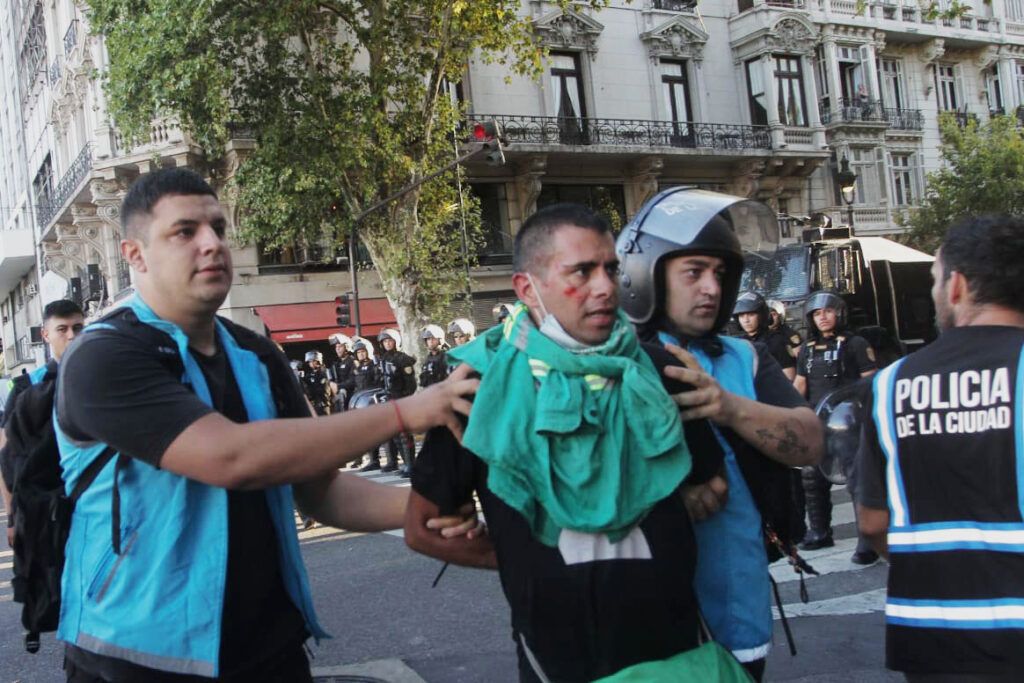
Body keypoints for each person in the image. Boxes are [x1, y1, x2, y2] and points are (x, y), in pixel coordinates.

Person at [52, 168, 479, 682]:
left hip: (269, 648)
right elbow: (230, 457)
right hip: (134, 658)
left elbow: (319, 491)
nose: (211, 243)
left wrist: (427, 512)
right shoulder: (103, 355)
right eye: (185, 232)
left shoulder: (256, 354)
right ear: (135, 256)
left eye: (219, 228)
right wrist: (406, 411)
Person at [405, 203, 720, 682]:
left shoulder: (662, 371)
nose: (605, 287)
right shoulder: (479, 389)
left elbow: (711, 485)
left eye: (611, 269)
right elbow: (422, 527)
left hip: (677, 658)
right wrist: (518, 554)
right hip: (554, 664)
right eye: (582, 271)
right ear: (528, 289)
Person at [617, 188, 823, 681]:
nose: (711, 287)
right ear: (645, 274)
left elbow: (812, 440)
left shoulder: (744, 357)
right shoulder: (611, 358)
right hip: (643, 614)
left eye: (720, 273)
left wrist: (727, 406)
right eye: (693, 272)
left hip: (736, 601)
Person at [856, 215, 1024, 681]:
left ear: (957, 287)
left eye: (934, 280)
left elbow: (872, 523)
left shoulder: (889, 385)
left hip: (930, 631)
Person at [794, 291, 877, 560]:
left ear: (839, 313)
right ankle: (819, 532)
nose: (823, 317)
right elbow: (799, 386)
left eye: (828, 311)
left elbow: (871, 381)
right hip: (817, 420)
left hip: (848, 422)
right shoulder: (806, 349)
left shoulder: (856, 343)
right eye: (817, 313)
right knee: (811, 477)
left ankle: (868, 541)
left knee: (857, 480)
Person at [0, 299, 85, 548]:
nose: (71, 335)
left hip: (94, 508)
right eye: (63, 329)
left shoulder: (101, 380)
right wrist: (12, 517)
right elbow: (8, 457)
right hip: (44, 514)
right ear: (45, 334)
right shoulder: (27, 388)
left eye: (78, 328)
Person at [733, 291, 798, 381]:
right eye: (741, 315)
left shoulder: (776, 340)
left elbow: (789, 376)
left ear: (761, 316)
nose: (746, 320)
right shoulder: (739, 343)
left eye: (751, 314)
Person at [326, 333, 355, 412]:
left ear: (347, 347)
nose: (337, 349)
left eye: (340, 346)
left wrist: (338, 386)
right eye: (336, 347)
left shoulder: (352, 361)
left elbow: (353, 380)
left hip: (351, 397)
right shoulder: (337, 364)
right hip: (340, 398)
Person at [301, 350, 332, 416]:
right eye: (309, 361)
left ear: (318, 361)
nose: (311, 363)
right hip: (314, 404)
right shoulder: (310, 374)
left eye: (313, 361)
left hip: (323, 404)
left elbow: (324, 391)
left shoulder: (324, 373)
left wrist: (310, 390)